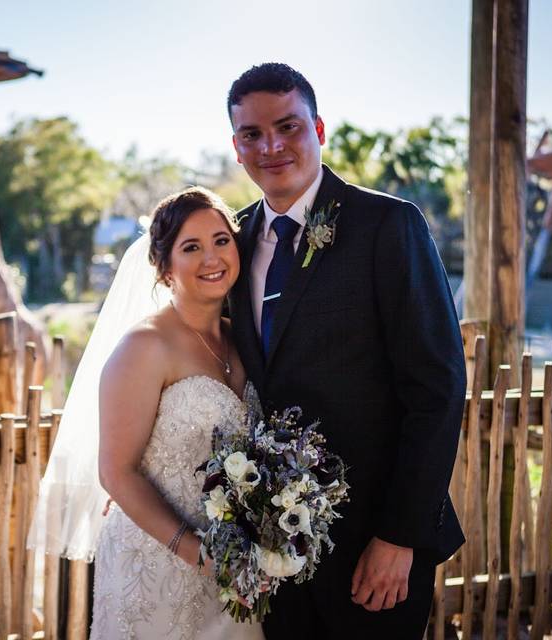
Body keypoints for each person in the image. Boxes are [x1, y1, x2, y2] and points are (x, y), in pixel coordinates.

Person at [225, 62, 467, 638]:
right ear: (236, 147)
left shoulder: (388, 225)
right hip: (273, 553)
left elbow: (437, 389)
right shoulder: (228, 244)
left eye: (289, 126)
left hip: (375, 546)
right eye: (253, 134)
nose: (273, 145)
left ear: (320, 130)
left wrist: (400, 535)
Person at [28, 187, 264, 639]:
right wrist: (196, 551)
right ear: (163, 266)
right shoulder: (144, 347)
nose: (211, 257)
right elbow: (117, 472)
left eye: (220, 240)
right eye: (190, 247)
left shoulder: (245, 340)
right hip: (158, 563)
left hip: (237, 568)